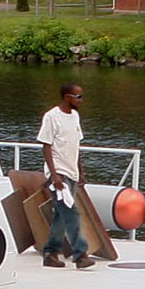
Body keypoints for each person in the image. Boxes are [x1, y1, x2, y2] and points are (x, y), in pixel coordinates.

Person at [38, 82, 93, 269]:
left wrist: (81, 172)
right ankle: (80, 255)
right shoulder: (52, 117)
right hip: (58, 173)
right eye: (78, 97)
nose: (81, 100)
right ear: (67, 97)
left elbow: (76, 146)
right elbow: (46, 146)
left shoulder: (75, 117)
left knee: (61, 216)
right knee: (71, 214)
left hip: (72, 172)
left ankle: (50, 253)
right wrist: (54, 176)